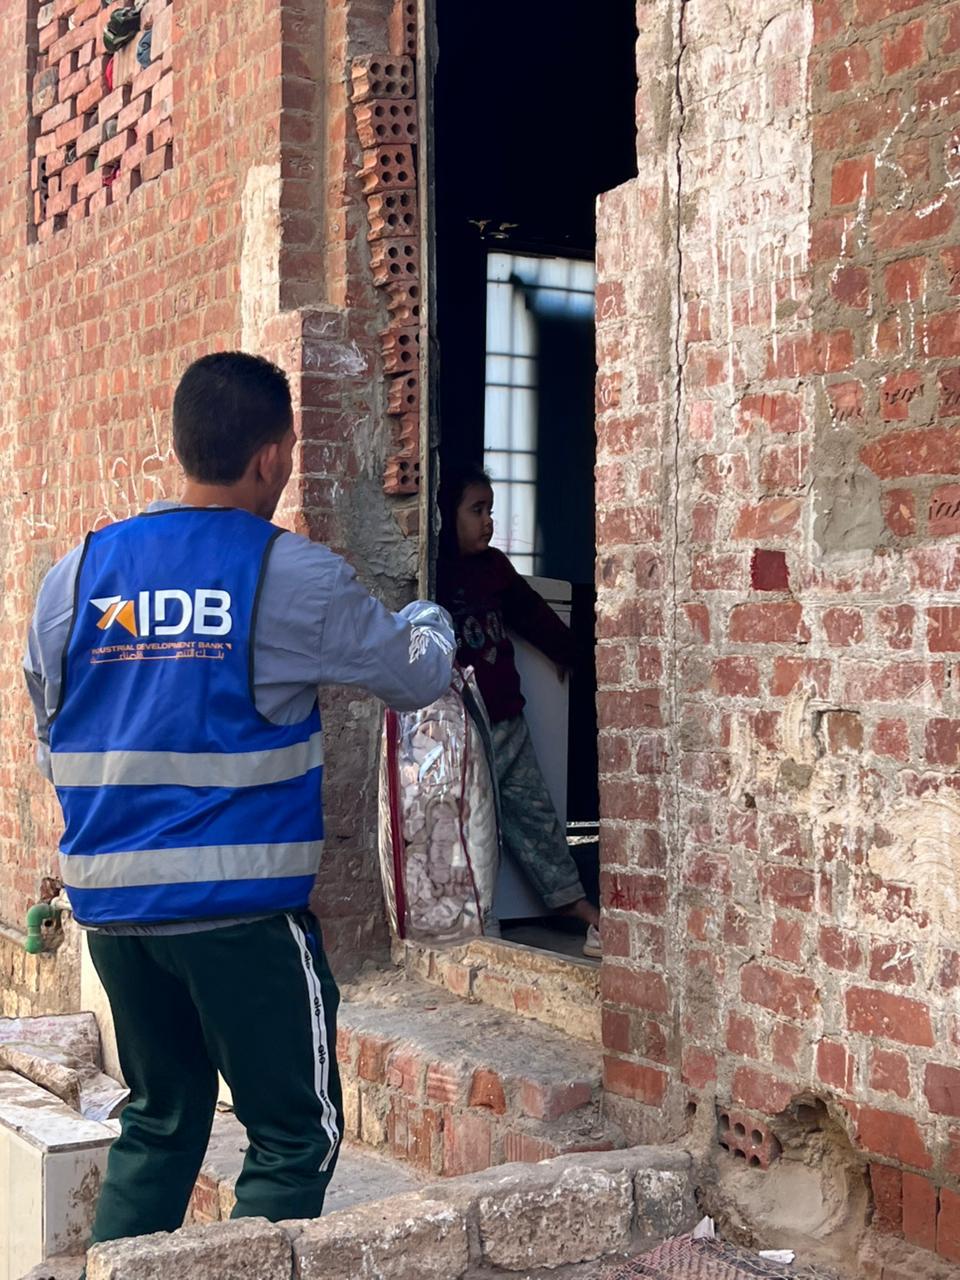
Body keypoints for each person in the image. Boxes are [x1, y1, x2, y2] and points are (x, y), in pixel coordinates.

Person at [23, 352, 455, 1251]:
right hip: (242, 922)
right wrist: (432, 621)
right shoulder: (291, 577)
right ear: (270, 456)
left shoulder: (74, 577)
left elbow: (50, 726)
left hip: (117, 919)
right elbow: (413, 678)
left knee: (161, 1119)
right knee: (295, 1137)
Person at [436, 465, 601, 957]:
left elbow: (532, 614)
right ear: (446, 517)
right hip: (464, 733)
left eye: (490, 509)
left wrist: (569, 655)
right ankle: (480, 922)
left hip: (508, 720)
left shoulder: (495, 568)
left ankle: (581, 910)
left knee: (536, 818)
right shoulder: (435, 572)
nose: (488, 521)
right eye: (476, 510)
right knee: (471, 825)